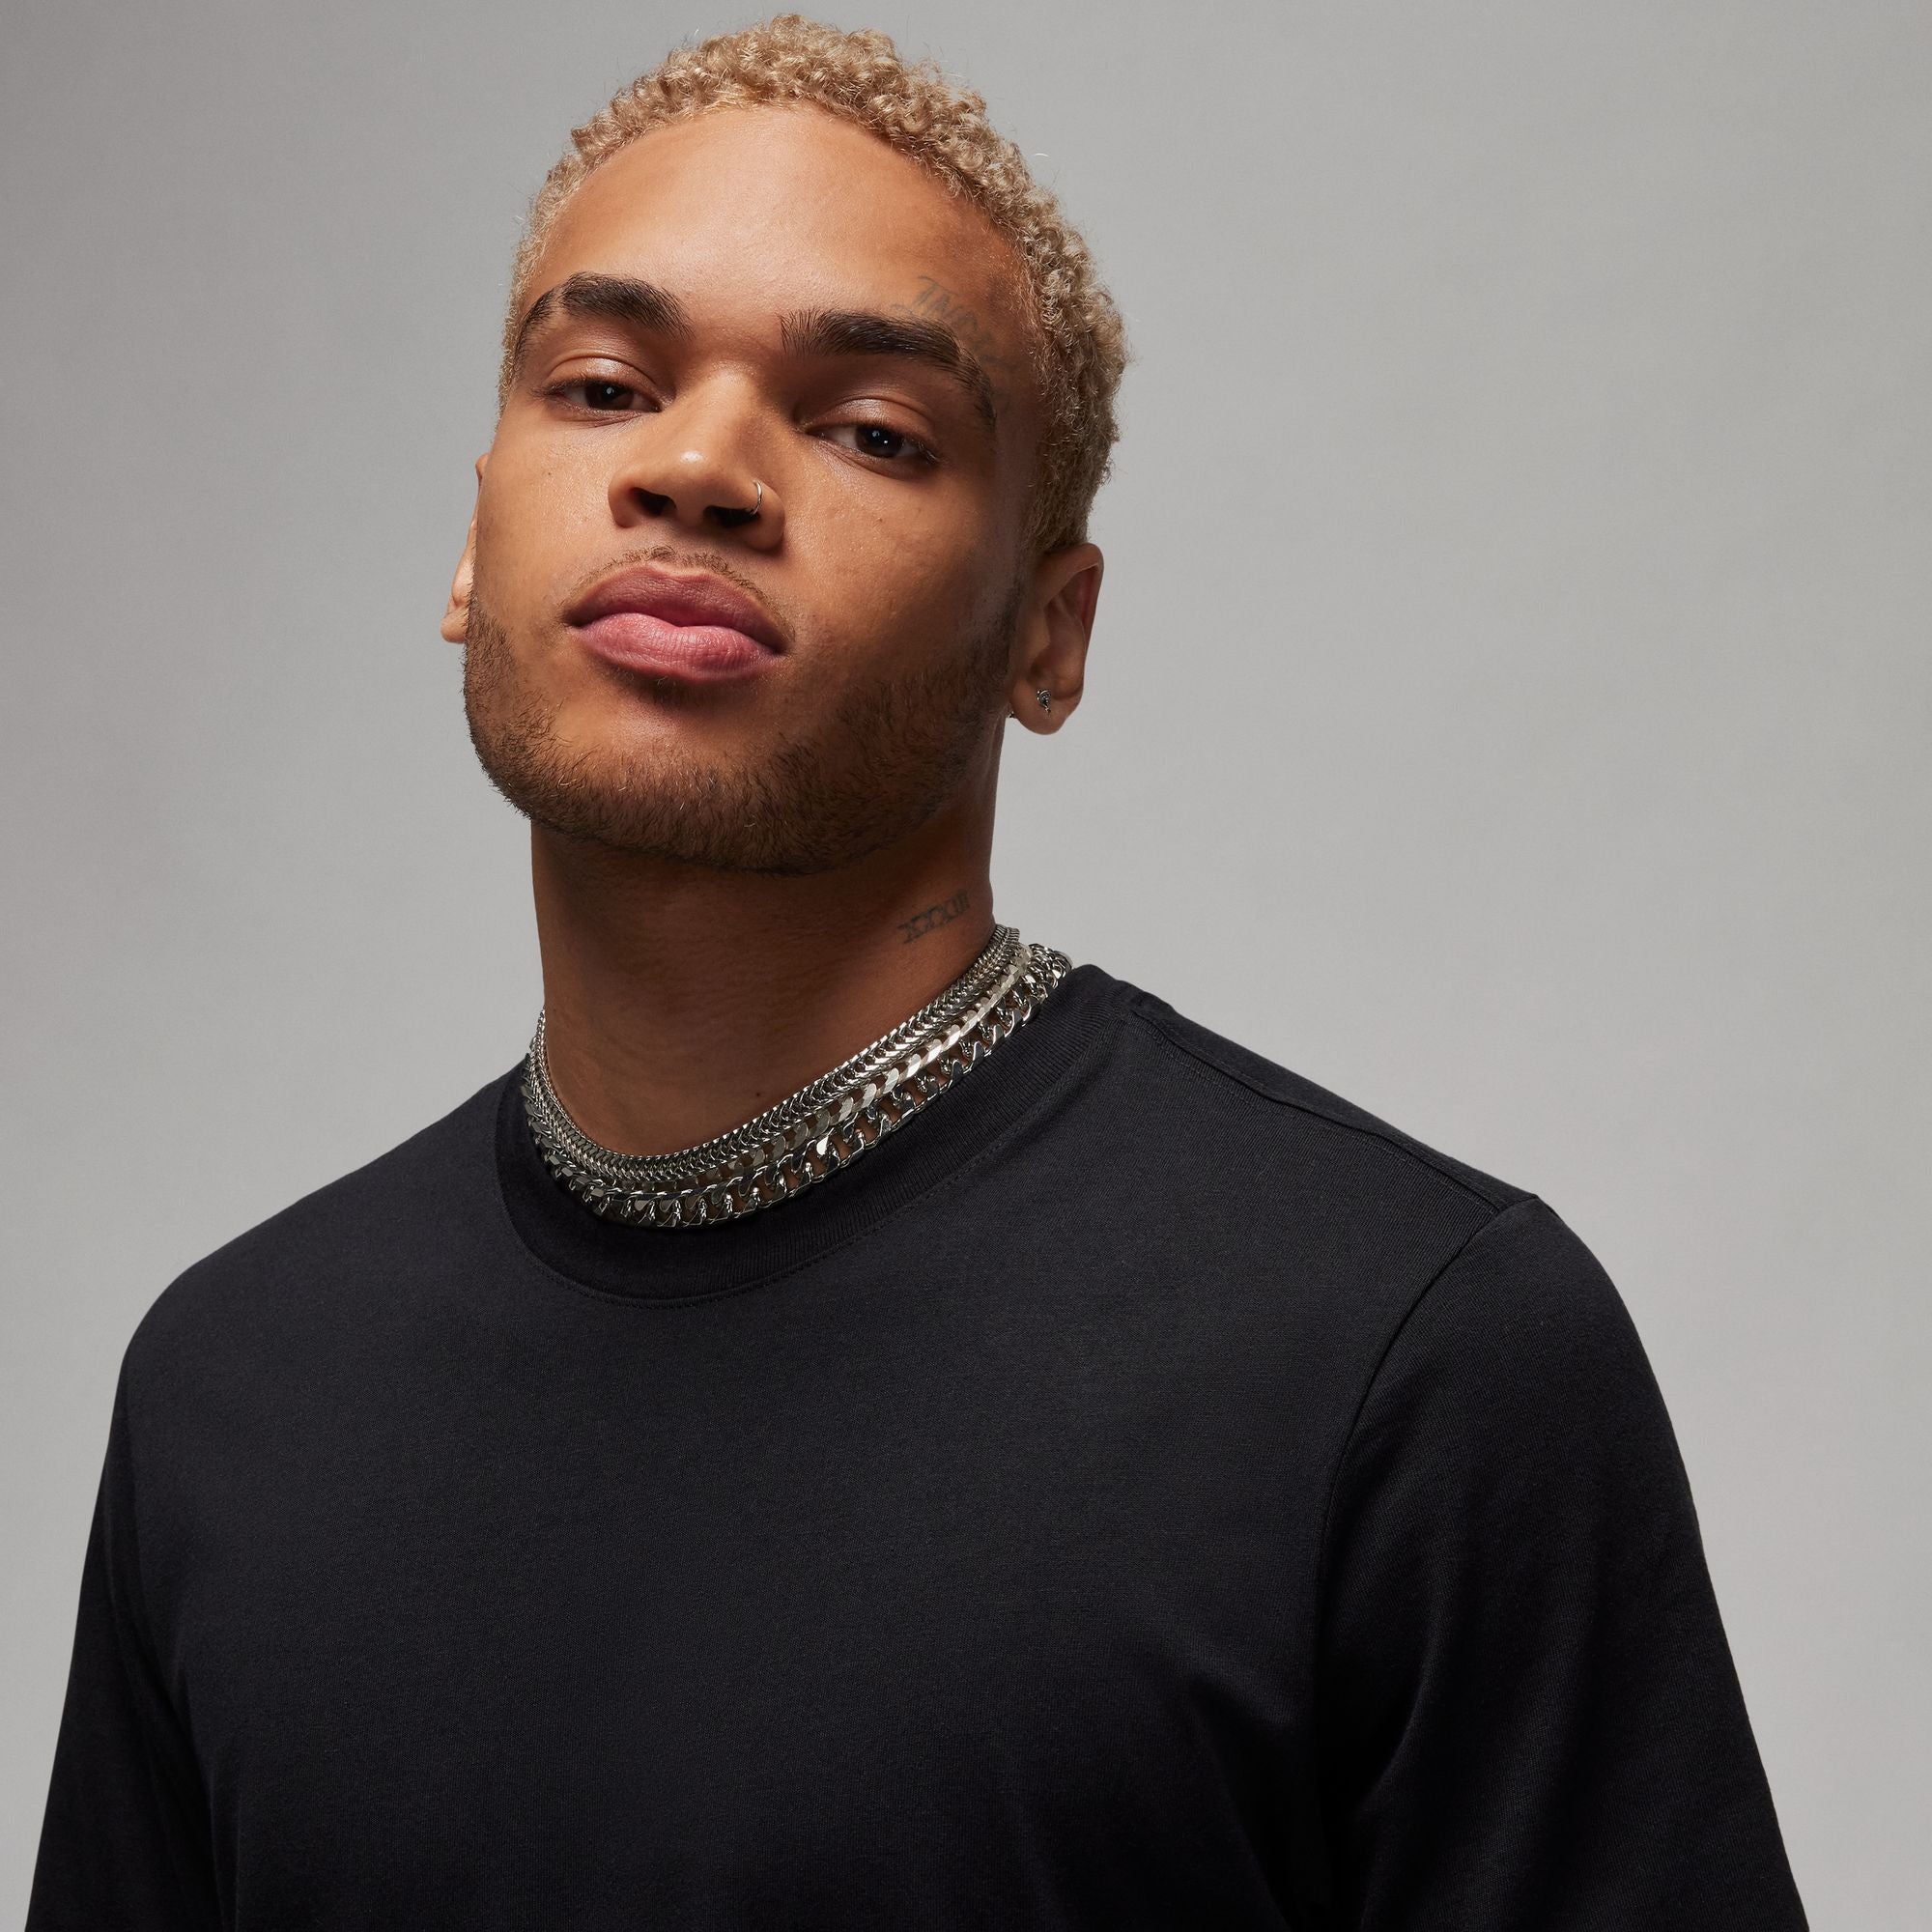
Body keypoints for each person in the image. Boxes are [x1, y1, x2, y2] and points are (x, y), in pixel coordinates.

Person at [28, 16, 1807, 1928]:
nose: (697, 468)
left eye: (872, 429)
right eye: (605, 384)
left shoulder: (1415, 1363)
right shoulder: (235, 1389)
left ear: (1050, 634)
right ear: (472, 543)